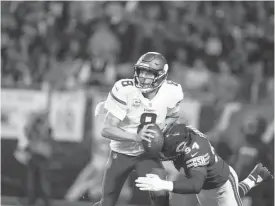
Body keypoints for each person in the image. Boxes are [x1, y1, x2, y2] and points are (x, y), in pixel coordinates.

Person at [93, 52, 184, 206]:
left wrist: (162, 127)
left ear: (161, 75)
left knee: (161, 196)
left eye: (148, 73)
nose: (142, 76)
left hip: (147, 154)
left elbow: (173, 116)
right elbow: (107, 129)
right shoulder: (125, 90)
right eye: (141, 71)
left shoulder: (171, 92)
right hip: (121, 153)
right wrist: (136, 137)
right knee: (107, 202)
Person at [136, 123, 273, 206]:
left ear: (180, 147)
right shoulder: (171, 134)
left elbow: (196, 185)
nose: (162, 153)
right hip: (204, 189)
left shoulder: (195, 151)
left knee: (227, 198)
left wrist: (164, 185)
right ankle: (254, 177)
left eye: (163, 149)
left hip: (221, 183)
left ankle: (252, 179)